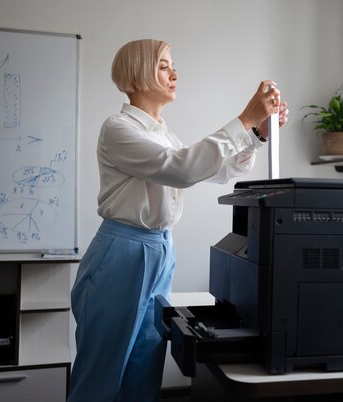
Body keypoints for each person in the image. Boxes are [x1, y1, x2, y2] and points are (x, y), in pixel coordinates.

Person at [68, 39, 289, 402]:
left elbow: (215, 170)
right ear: (137, 76)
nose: (174, 74)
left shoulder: (163, 134)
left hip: (159, 250)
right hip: (122, 252)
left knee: (145, 366)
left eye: (172, 66)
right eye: (163, 66)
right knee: (101, 376)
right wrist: (246, 119)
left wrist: (258, 133)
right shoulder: (118, 129)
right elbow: (184, 169)